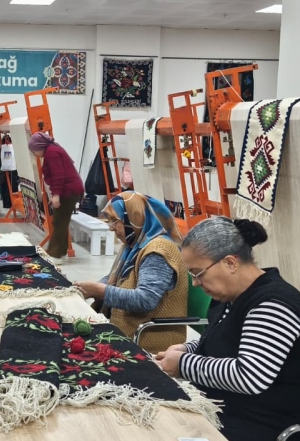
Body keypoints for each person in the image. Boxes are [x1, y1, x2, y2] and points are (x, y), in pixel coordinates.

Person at [143, 217, 300, 441]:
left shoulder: (273, 304)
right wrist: (187, 348)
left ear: (230, 262)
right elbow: (222, 342)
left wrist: (183, 364)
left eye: (198, 273)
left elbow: (250, 376)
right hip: (235, 417)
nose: (195, 283)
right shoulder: (231, 297)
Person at [73, 191, 188, 352]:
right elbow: (119, 278)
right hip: (133, 328)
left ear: (134, 217)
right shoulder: (135, 245)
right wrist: (88, 287)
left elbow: (145, 300)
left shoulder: (158, 251)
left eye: (115, 221)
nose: (111, 228)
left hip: (148, 336)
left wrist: (99, 290)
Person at [27, 132, 84, 261]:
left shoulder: (51, 153)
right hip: (69, 189)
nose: (34, 154)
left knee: (59, 222)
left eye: (34, 151)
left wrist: (56, 195)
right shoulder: (52, 149)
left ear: (40, 147)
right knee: (61, 221)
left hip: (68, 190)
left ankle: (54, 254)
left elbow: (58, 175)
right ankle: (60, 251)